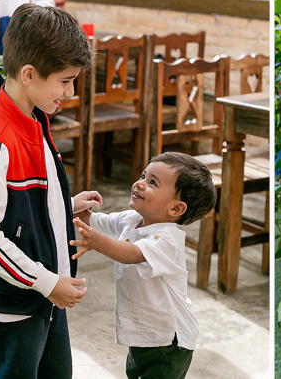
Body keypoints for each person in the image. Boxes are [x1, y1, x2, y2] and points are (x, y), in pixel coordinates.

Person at [0, 3, 97, 378]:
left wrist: (63, 207)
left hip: (42, 299)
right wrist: (48, 282)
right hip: (15, 307)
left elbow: (19, 203)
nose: (70, 92)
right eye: (66, 80)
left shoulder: (34, 117)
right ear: (29, 74)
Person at [68, 152, 216, 379]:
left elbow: (133, 254)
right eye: (144, 175)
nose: (139, 183)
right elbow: (97, 220)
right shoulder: (132, 219)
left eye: (152, 183)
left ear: (176, 209)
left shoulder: (168, 240)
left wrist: (97, 242)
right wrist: (73, 207)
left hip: (170, 342)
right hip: (144, 336)